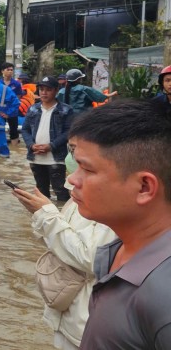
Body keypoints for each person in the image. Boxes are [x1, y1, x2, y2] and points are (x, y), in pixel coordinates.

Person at [66, 101, 171, 348]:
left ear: (144, 187)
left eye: (87, 169)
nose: (72, 178)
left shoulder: (163, 295)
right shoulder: (118, 250)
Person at [9, 173, 115, 349]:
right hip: (67, 312)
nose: (71, 178)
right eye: (71, 151)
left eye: (85, 164)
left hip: (86, 319)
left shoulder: (115, 201)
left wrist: (47, 216)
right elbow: (60, 244)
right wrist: (42, 214)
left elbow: (90, 258)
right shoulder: (76, 194)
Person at [21, 76, 73, 201]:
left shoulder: (66, 110)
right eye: (41, 89)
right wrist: (31, 145)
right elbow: (25, 129)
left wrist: (51, 146)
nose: (44, 92)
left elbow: (69, 131)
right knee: (41, 191)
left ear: (56, 91)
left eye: (48, 89)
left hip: (56, 158)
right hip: (36, 157)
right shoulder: (33, 109)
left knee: (60, 190)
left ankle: (62, 215)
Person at [0, 62, 25, 144]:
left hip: (12, 111)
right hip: (0, 111)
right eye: (8, 70)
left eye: (11, 70)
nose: (10, 71)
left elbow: (17, 99)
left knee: (14, 131)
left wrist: (10, 111)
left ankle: (15, 148)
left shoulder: (16, 84)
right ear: (2, 71)